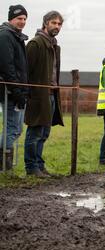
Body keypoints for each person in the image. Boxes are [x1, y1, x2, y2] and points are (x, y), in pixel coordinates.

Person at [24, 11, 65, 177]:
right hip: (38, 96)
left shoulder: (55, 46)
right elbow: (26, 72)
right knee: (34, 132)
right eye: (53, 23)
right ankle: (31, 168)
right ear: (45, 23)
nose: (56, 26)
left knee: (44, 133)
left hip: (51, 95)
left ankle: (39, 166)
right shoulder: (35, 43)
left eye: (59, 24)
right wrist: (29, 95)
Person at [0, 4, 28, 171]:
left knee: (16, 129)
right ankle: (5, 167)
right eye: (19, 18)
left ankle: (4, 166)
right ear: (11, 18)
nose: (22, 22)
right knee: (12, 129)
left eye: (25, 19)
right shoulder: (5, 36)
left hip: (18, 90)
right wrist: (16, 91)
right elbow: (7, 66)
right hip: (9, 91)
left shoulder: (17, 36)